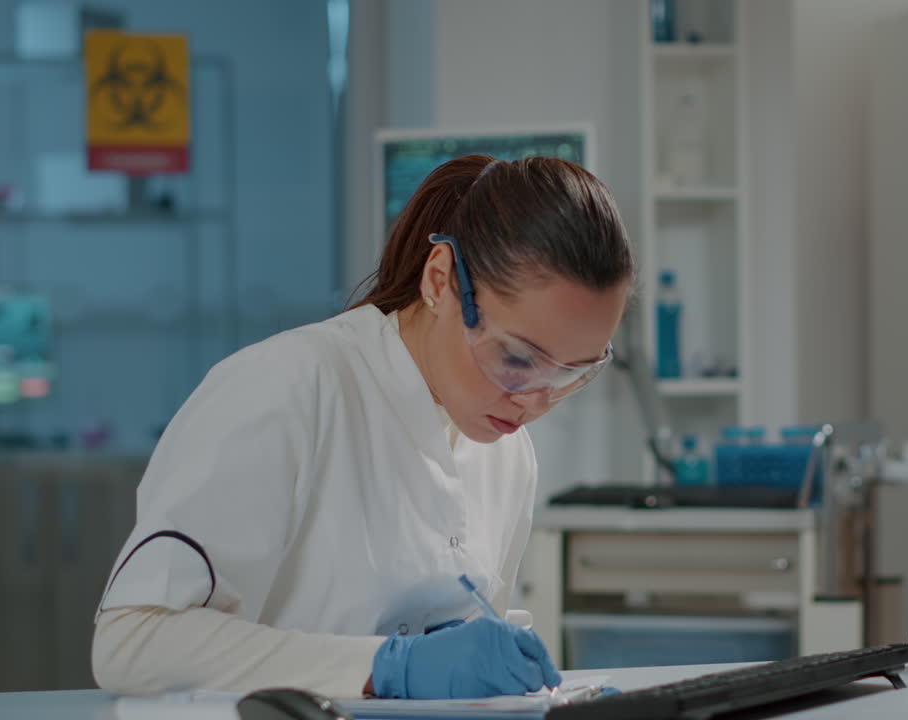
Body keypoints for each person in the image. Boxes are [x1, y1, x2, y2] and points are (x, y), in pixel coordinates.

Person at [91, 155, 634, 700]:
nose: (535, 402)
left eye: (571, 374)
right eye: (518, 359)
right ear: (440, 279)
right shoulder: (287, 388)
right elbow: (131, 644)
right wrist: (386, 667)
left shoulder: (506, 453)